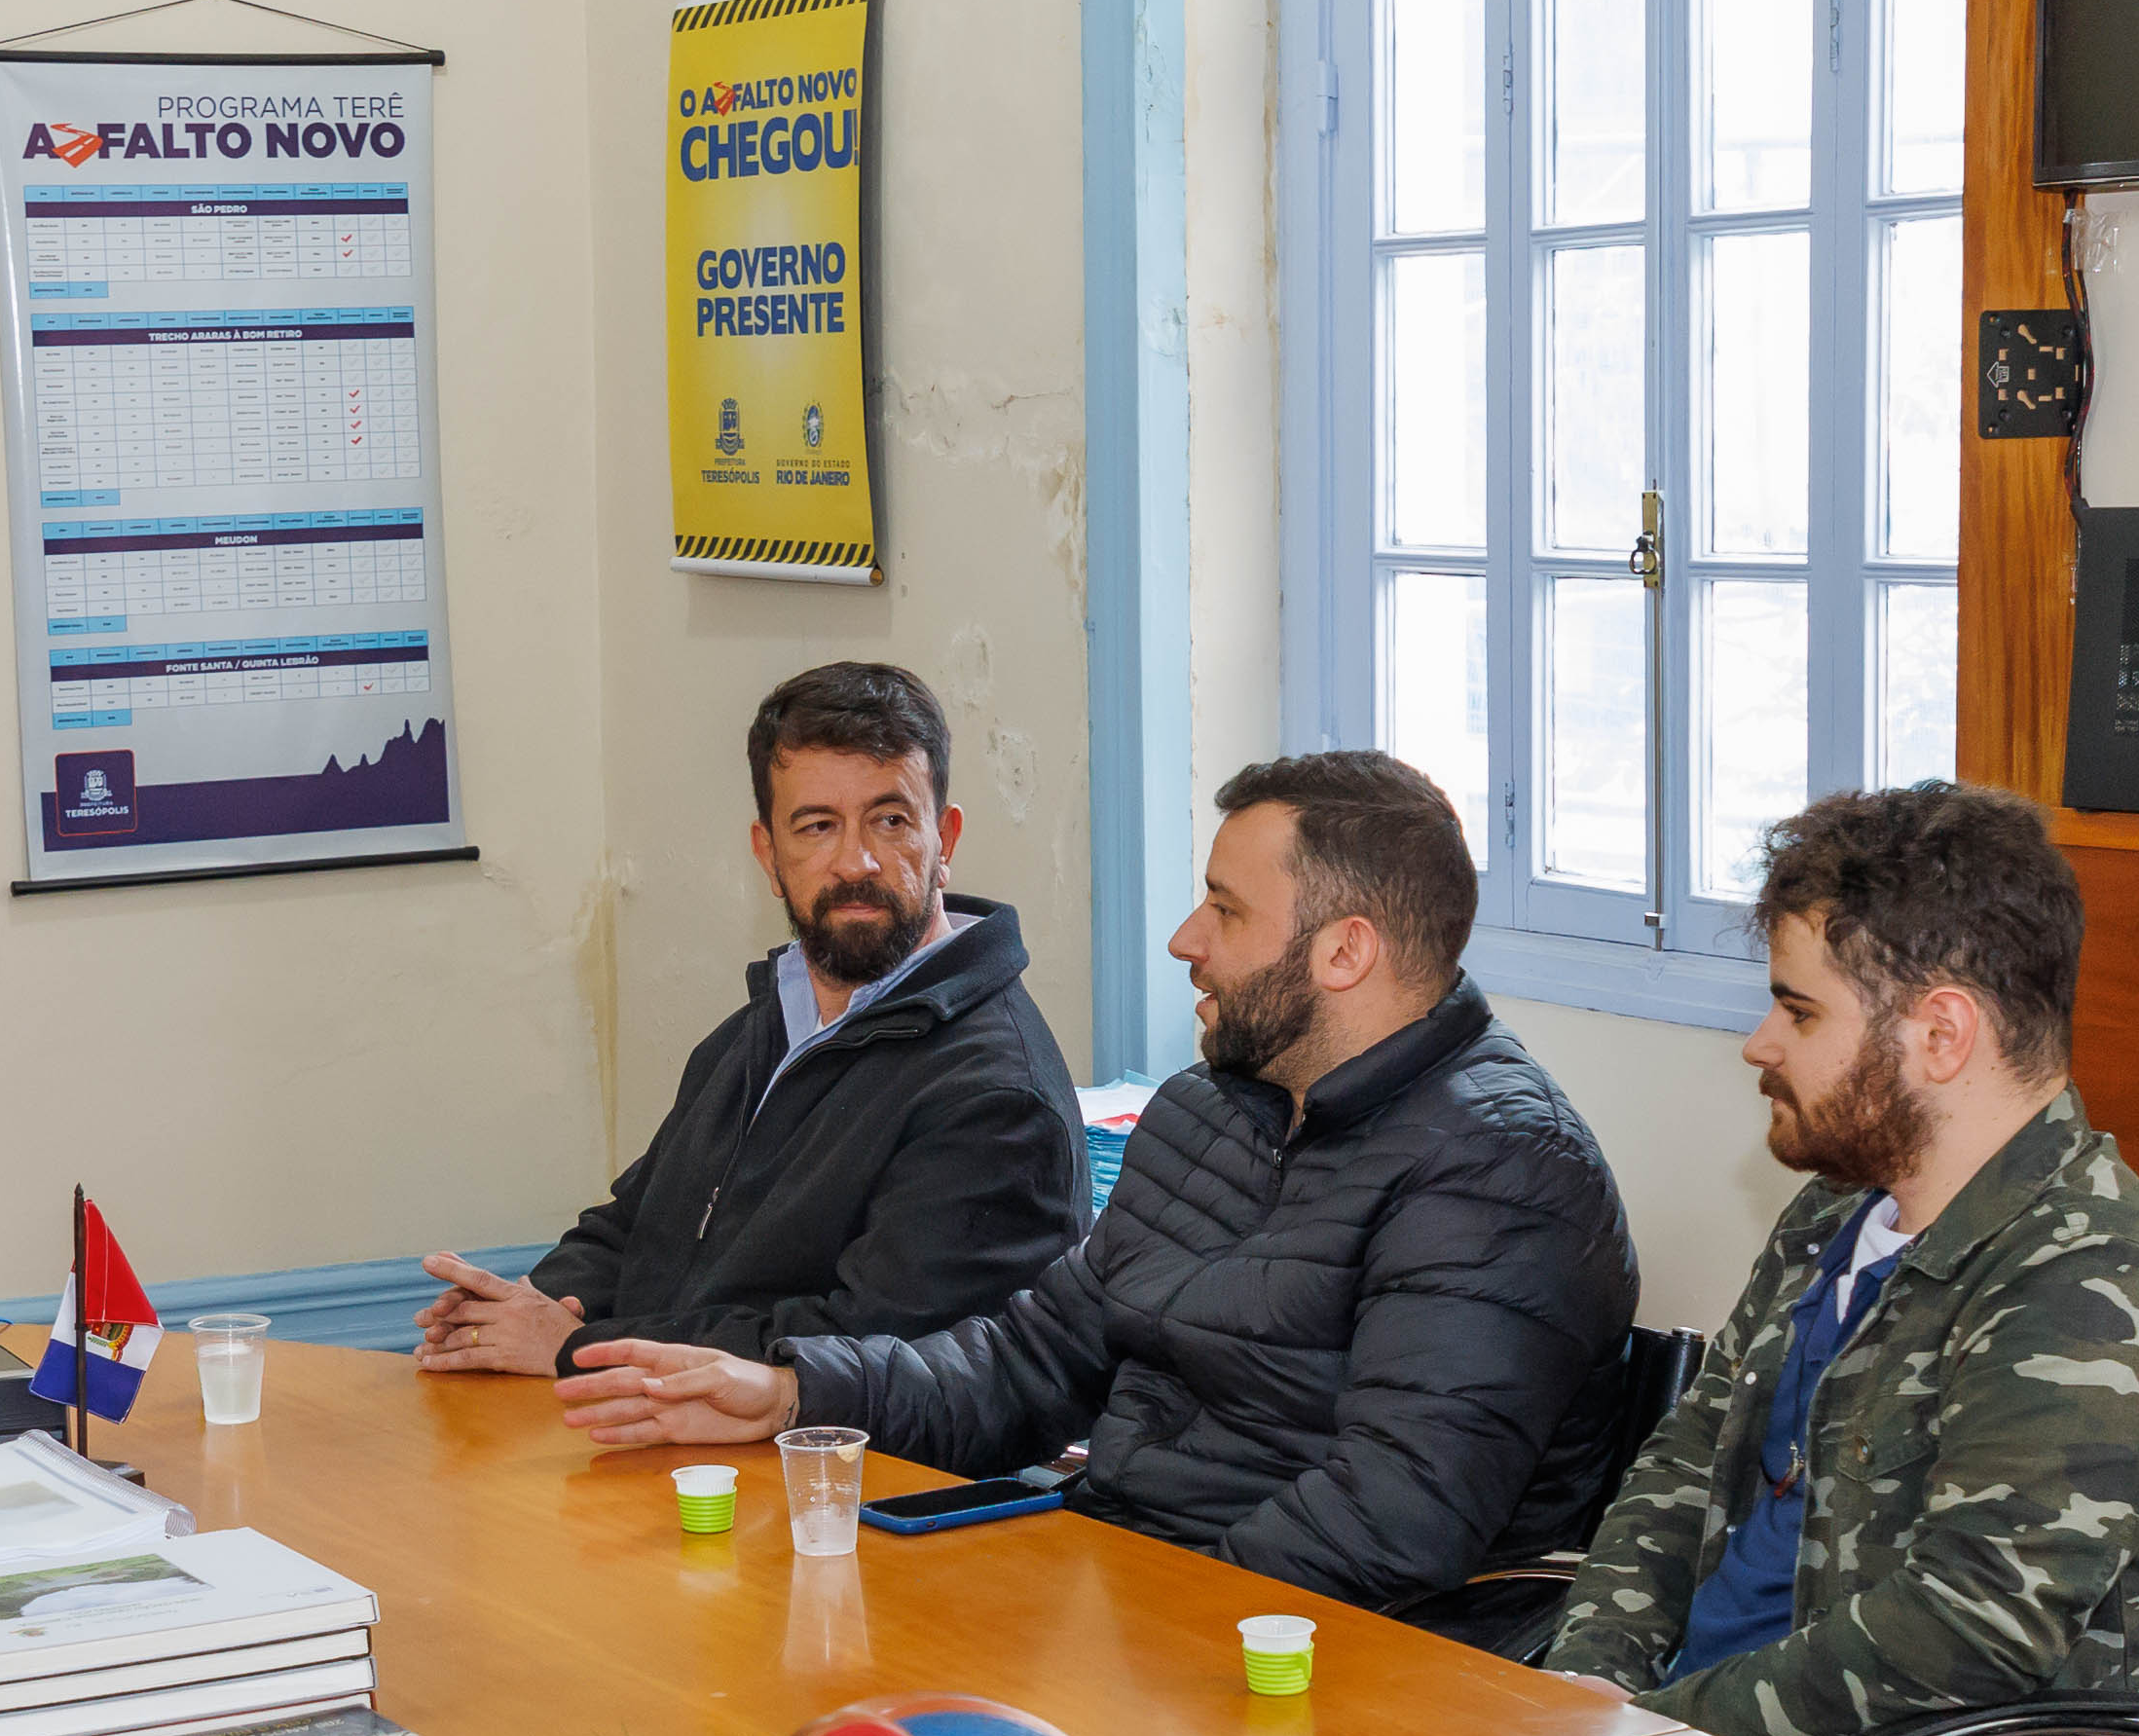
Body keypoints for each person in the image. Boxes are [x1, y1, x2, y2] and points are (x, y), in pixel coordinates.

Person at [566, 751, 1636, 1647]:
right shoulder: (1209, 1109)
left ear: (1344, 950)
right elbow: (1027, 1363)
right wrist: (795, 1393)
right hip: (1136, 1599)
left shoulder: (1504, 1171)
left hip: (1315, 1662)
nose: (1186, 939)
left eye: (1225, 910)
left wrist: (1135, 1630)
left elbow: (1390, 1522)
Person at [1544, 786, 2139, 1736]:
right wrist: (1589, 1682)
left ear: (1940, 1033)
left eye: (1800, 1012)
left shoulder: (2092, 1281)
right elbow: (1690, 1458)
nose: (1759, 1043)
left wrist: (1661, 1735)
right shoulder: (1840, 1213)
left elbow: (1969, 1628)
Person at [418, 660, 1084, 1374]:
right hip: (650, 1413)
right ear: (768, 855)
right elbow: (631, 1227)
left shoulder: (997, 1098)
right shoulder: (763, 1027)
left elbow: (864, 1349)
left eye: (890, 821)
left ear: (943, 841)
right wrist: (518, 1311)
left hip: (819, 1446)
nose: (855, 862)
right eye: (817, 826)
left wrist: (572, 1347)